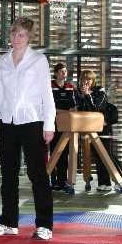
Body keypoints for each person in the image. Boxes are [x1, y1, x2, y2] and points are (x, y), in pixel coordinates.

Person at [0, 17, 56, 241]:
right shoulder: (3, 61)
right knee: (8, 175)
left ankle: (44, 225)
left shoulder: (39, 60)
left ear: (29, 37)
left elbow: (47, 94)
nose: (17, 38)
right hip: (7, 122)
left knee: (38, 175)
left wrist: (49, 124)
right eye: (14, 33)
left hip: (33, 122)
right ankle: (8, 222)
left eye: (22, 34)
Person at [76, 70, 121, 192]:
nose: (86, 81)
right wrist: (81, 97)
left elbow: (96, 107)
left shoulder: (100, 90)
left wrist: (87, 95)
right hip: (87, 129)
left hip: (102, 128)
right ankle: (103, 182)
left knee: (106, 155)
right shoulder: (78, 92)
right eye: (84, 79)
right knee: (97, 156)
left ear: (93, 80)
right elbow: (79, 109)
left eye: (89, 79)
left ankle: (118, 178)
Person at [49, 63, 77, 194]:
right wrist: (61, 111)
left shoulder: (70, 86)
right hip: (53, 124)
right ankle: (53, 181)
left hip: (67, 124)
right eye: (61, 71)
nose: (64, 73)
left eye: (65, 71)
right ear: (55, 73)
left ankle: (63, 181)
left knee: (64, 153)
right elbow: (49, 106)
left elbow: (74, 105)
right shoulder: (49, 85)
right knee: (54, 152)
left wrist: (71, 111)